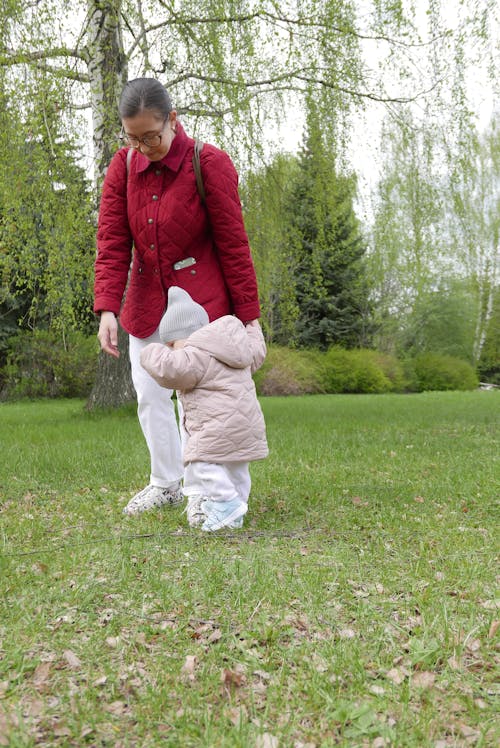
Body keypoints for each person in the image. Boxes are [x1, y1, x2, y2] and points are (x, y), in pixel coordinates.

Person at [93, 77, 261, 515]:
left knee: (204, 403)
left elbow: (234, 245)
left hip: (202, 308)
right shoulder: (123, 168)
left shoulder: (209, 163)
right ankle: (165, 482)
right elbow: (112, 241)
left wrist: (248, 317)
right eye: (133, 138)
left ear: (173, 120)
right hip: (146, 306)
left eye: (152, 136)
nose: (143, 146)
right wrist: (108, 308)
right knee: (150, 395)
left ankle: (208, 488)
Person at [140, 286, 268, 531]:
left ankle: (226, 502)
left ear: (176, 339)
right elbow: (257, 351)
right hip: (248, 425)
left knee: (199, 462)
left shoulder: (194, 355)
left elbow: (170, 370)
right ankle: (236, 510)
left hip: (217, 427)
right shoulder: (234, 348)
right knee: (237, 466)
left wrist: (149, 351)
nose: (171, 351)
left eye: (170, 345)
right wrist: (253, 328)